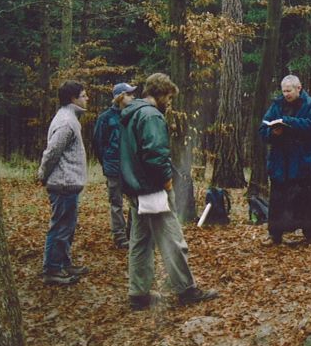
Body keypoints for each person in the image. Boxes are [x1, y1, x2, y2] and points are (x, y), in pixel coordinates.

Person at [119, 73, 218, 310]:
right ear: (160, 94)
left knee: (140, 241)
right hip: (152, 189)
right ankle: (186, 289)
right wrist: (166, 181)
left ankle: (138, 293)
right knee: (173, 238)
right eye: (169, 98)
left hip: (135, 189)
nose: (170, 103)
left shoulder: (131, 114)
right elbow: (155, 153)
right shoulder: (151, 116)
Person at [259, 75, 311, 245]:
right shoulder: (276, 105)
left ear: (299, 88)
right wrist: (272, 133)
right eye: (284, 91)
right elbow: (263, 129)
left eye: (289, 90)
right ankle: (275, 235)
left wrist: (289, 123)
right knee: (278, 199)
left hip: (304, 161)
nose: (286, 94)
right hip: (281, 162)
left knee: (307, 199)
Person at [37, 80, 90, 285]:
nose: (87, 98)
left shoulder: (70, 118)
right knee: (60, 227)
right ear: (73, 98)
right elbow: (51, 153)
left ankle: (63, 263)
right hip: (63, 183)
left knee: (67, 227)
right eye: (83, 95)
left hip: (68, 183)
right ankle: (52, 270)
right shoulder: (66, 121)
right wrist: (43, 174)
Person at [93, 82, 136, 249]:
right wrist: (107, 161)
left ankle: (133, 233)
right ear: (119, 97)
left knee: (135, 201)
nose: (133, 97)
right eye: (129, 94)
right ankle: (119, 237)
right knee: (116, 203)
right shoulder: (105, 118)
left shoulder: (134, 115)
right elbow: (98, 142)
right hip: (113, 167)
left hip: (131, 168)